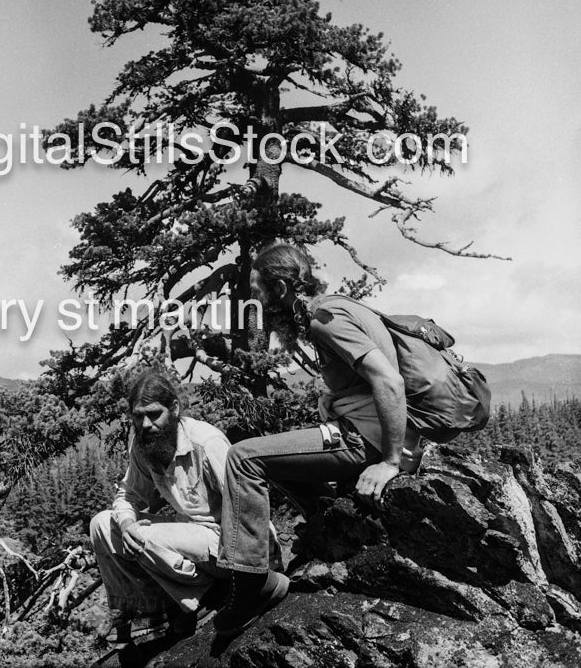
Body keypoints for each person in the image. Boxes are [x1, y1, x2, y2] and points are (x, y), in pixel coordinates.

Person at [214, 242, 424, 635]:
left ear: (280, 289)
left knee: (244, 458)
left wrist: (390, 462)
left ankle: (250, 584)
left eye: (261, 294)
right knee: (274, 454)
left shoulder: (324, 319)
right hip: (365, 432)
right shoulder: (335, 306)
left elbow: (389, 380)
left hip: (367, 440)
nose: (259, 303)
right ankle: (327, 517)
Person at [91, 370, 280, 643]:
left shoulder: (206, 443)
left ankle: (208, 596)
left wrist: (264, 563)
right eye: (138, 415)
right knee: (102, 524)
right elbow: (128, 495)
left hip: (229, 545)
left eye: (154, 414)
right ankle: (151, 609)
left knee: (143, 536)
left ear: (175, 409)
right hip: (193, 539)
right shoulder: (144, 445)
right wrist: (127, 523)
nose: (145, 424)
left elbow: (247, 504)